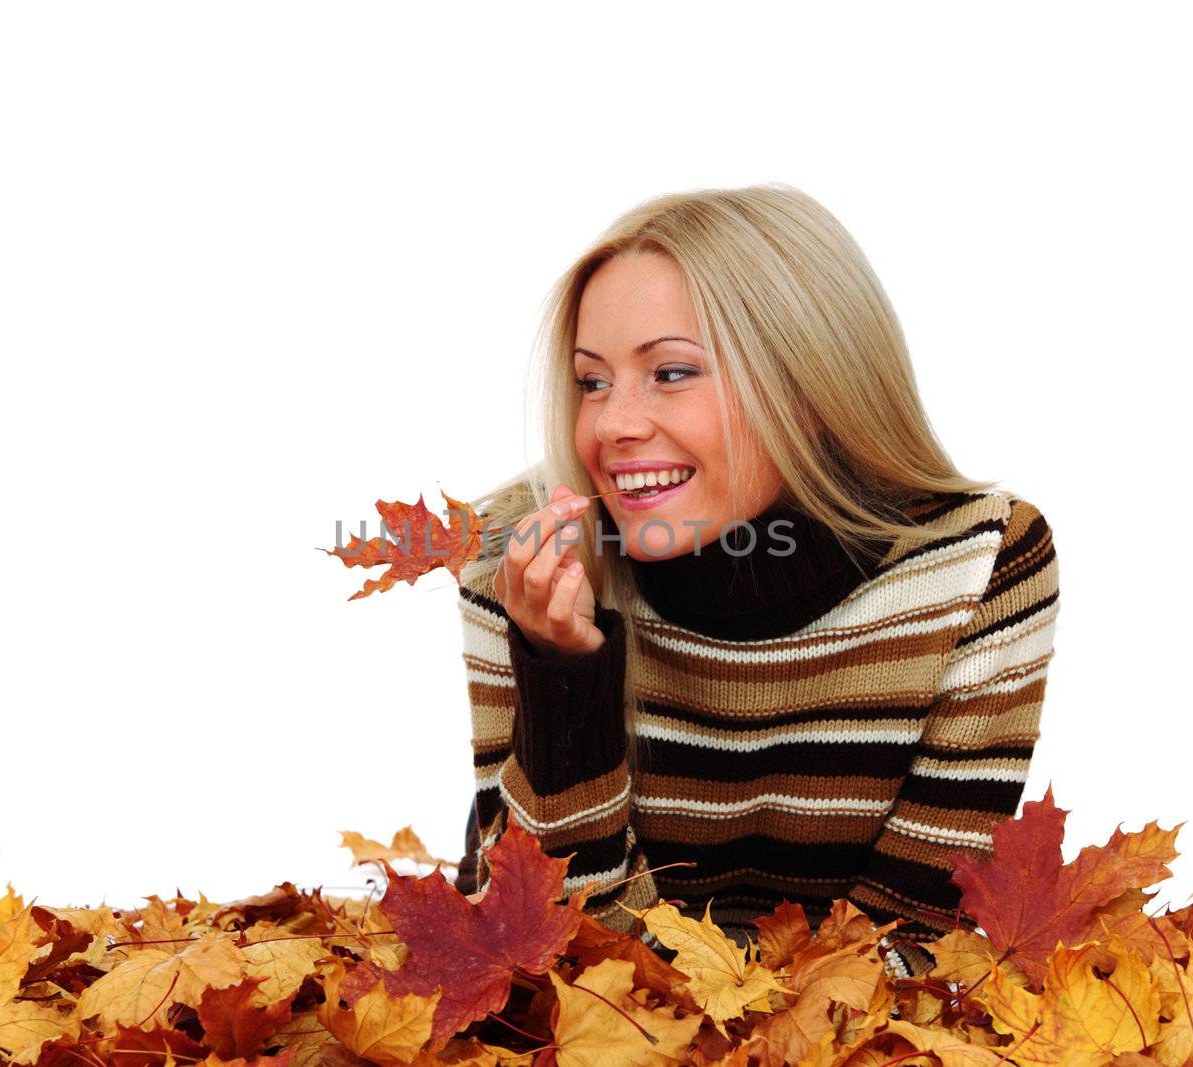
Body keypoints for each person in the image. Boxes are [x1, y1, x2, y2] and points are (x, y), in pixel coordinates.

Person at [449, 183, 1059, 980]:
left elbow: (916, 947)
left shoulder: (980, 563)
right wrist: (565, 675)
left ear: (810, 388)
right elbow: (537, 961)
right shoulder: (519, 562)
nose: (612, 425)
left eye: (670, 372)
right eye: (592, 381)